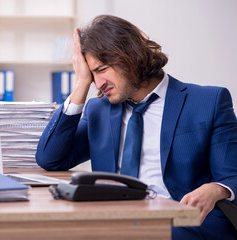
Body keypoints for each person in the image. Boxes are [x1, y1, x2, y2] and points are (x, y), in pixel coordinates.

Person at [35, 15, 237, 239]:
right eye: (92, 75)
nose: (98, 83)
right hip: (116, 220)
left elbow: (232, 176)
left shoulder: (208, 101)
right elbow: (50, 159)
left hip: (183, 220)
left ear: (129, 57)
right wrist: (81, 84)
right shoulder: (99, 111)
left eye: (101, 69)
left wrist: (216, 189)